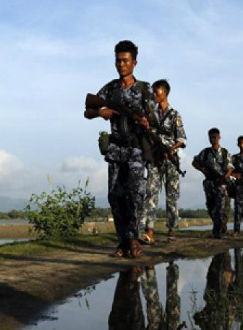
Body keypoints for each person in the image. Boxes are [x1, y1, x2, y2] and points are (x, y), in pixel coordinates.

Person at [84, 40, 152, 258]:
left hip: (135, 150)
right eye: (118, 60)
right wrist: (100, 113)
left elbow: (154, 117)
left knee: (135, 194)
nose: (121, 64)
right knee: (115, 196)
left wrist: (145, 121)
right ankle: (122, 241)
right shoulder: (110, 88)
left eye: (125, 60)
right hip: (115, 149)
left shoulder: (144, 89)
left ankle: (133, 239)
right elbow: (87, 110)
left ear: (135, 62)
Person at [140, 79, 187, 244]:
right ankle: (149, 231)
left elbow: (182, 138)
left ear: (164, 93)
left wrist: (171, 149)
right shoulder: (150, 114)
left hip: (170, 160)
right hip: (154, 158)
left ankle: (171, 228)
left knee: (171, 196)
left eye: (156, 92)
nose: (154, 94)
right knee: (151, 193)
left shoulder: (174, 115)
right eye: (153, 92)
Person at [192, 128, 233, 239]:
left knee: (220, 207)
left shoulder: (224, 152)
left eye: (215, 137)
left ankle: (218, 231)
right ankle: (218, 228)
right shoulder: (205, 152)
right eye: (211, 137)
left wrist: (227, 175)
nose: (214, 139)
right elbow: (194, 162)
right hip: (209, 183)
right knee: (211, 207)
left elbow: (230, 167)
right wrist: (203, 170)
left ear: (219, 137)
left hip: (221, 183)